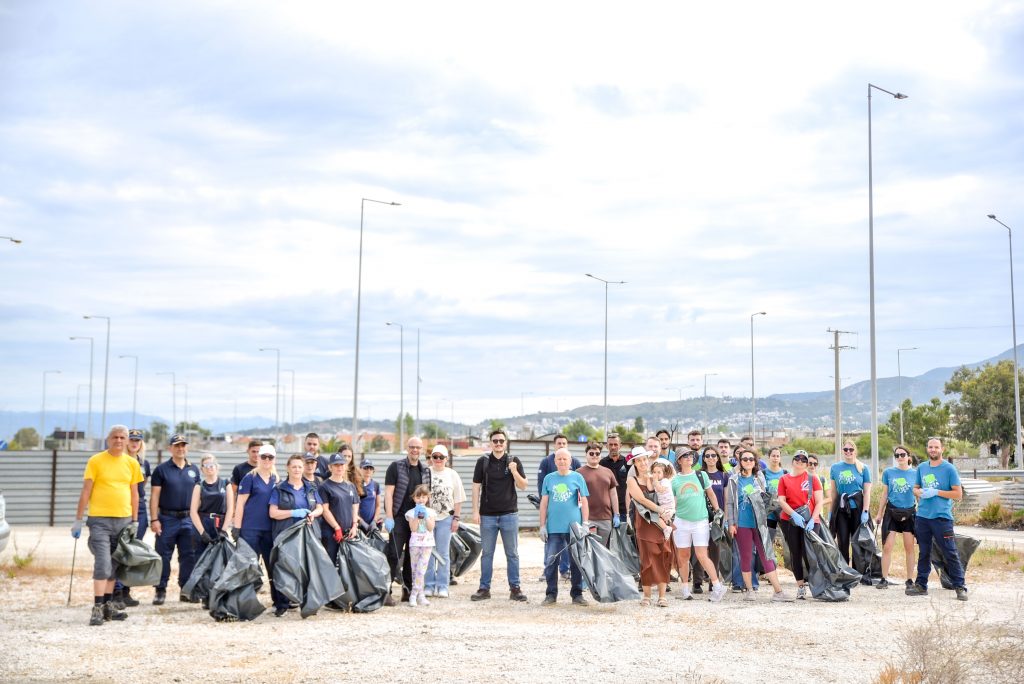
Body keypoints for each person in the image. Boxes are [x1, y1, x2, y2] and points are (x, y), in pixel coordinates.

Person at [71, 425, 143, 626]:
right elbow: (86, 491)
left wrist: (135, 521)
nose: (119, 441)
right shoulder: (96, 461)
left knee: (114, 565)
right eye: (115, 437)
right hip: (99, 521)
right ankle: (96, 607)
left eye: (122, 437)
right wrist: (78, 519)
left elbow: (134, 494)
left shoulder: (132, 463)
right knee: (102, 564)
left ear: (127, 441)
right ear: (108, 439)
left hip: (124, 520)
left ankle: (108, 605)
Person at [725, 449, 793, 602]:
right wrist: (731, 523)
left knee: (766, 555)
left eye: (751, 459)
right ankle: (749, 590)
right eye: (745, 459)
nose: (748, 461)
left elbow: (765, 498)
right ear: (740, 462)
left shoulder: (759, 478)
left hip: (759, 523)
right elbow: (729, 503)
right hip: (741, 523)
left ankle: (778, 592)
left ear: (755, 462)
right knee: (746, 557)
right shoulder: (733, 480)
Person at [471, 428, 528, 602]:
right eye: (495, 441)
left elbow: (523, 485)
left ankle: (515, 588)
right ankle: (484, 588)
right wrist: (475, 511)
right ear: (490, 443)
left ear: (505, 443)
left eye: (501, 441)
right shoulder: (483, 461)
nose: (498, 444)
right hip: (487, 515)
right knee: (487, 553)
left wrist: (514, 471)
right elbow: (475, 487)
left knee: (512, 553)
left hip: (509, 514)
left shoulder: (513, 460)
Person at [906, 437, 967, 601]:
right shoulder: (922, 467)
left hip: (942, 518)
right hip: (922, 517)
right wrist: (918, 492)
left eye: (936, 447)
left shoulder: (949, 469)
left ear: (942, 449)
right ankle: (921, 585)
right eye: (930, 447)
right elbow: (915, 487)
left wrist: (937, 492)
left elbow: (958, 495)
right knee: (924, 553)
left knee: (950, 552)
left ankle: (960, 587)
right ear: (927, 449)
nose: (933, 449)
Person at [269, 454, 325, 616]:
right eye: (294, 466)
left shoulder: (311, 487)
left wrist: (313, 514)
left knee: (307, 568)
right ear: (288, 468)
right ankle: (282, 604)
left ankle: (308, 603)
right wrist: (294, 512)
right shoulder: (279, 489)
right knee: (285, 567)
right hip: (286, 534)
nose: (297, 469)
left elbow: (320, 507)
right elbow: (273, 513)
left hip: (307, 534)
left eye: (300, 466)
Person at [232, 444, 283, 615]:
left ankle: (278, 603)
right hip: (250, 529)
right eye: (264, 457)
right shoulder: (249, 478)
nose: (267, 460)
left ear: (274, 459)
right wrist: (237, 528)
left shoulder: (277, 479)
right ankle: (244, 604)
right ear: (258, 458)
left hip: (270, 530)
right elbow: (240, 504)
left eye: (270, 457)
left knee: (272, 567)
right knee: (248, 568)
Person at [150, 433, 200, 605]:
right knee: (163, 555)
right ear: (170, 448)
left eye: (183, 445)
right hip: (167, 518)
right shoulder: (161, 470)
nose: (180, 448)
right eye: (177, 445)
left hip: (188, 518)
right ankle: (160, 589)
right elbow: (154, 497)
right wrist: (154, 519)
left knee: (189, 555)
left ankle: (185, 590)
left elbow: (199, 496)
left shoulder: (194, 470)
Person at [670, 450, 727, 602]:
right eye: (685, 456)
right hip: (681, 522)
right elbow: (673, 502)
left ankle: (717, 587)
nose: (689, 458)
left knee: (702, 555)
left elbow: (711, 494)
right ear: (679, 461)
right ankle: (685, 589)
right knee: (683, 556)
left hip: (700, 521)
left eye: (690, 456)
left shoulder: (701, 475)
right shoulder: (674, 481)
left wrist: (717, 512)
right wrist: (670, 519)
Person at [625, 440, 673, 607]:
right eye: (639, 460)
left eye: (645, 459)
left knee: (663, 555)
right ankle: (646, 595)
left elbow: (667, 492)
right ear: (635, 463)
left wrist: (668, 512)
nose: (643, 462)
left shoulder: (655, 476)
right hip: (645, 522)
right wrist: (661, 511)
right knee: (647, 558)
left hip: (661, 523)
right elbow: (641, 499)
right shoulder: (632, 480)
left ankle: (662, 596)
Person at [385, 437, 433, 604]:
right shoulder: (396, 467)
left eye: (418, 447)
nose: (415, 450)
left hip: (416, 520)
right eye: (412, 447)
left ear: (421, 449)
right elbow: (389, 493)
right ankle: (386, 591)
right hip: (398, 517)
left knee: (411, 557)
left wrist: (427, 517)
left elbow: (427, 496)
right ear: (407, 448)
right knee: (393, 554)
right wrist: (389, 516)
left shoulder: (425, 471)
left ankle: (408, 590)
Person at [539, 448, 590, 606]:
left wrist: (586, 523)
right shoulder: (549, 478)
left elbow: (585, 502)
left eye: (565, 459)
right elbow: (544, 503)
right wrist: (542, 525)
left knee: (576, 562)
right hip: (554, 528)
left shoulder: (578, 477)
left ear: (570, 461)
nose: (562, 461)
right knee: (551, 562)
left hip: (574, 528)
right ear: (555, 461)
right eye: (559, 459)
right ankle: (551, 594)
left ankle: (577, 594)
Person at [111, 428, 150, 609]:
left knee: (133, 552)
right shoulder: (121, 461)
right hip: (124, 506)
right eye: (132, 440)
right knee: (120, 550)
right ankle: (115, 592)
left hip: (140, 507)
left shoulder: (144, 463)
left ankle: (126, 590)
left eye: (138, 440)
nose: (134, 443)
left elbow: (142, 488)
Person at [777, 450, 823, 600]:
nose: (800, 461)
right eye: (797, 458)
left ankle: (817, 586)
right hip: (790, 520)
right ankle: (801, 587)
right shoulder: (784, 479)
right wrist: (793, 514)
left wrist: (813, 519)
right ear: (792, 461)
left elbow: (819, 501)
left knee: (810, 554)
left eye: (804, 460)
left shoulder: (812, 479)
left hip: (810, 521)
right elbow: (781, 500)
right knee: (795, 553)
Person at [536, 434, 579, 581]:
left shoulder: (575, 462)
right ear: (554, 445)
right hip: (552, 509)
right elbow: (541, 485)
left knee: (568, 545)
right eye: (559, 443)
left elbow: (581, 492)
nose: (561, 445)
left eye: (564, 443)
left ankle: (565, 570)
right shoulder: (546, 462)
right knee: (551, 543)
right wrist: (544, 508)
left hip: (571, 514)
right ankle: (547, 570)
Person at [425, 444, 465, 598]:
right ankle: (428, 585)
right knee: (428, 551)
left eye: (441, 457)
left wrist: (456, 518)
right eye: (435, 456)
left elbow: (458, 498)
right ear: (431, 458)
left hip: (446, 518)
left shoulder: (452, 474)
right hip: (428, 518)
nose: (438, 459)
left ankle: (442, 586)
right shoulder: (426, 472)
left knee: (442, 552)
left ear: (446, 459)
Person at [876, 445, 917, 590]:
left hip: (909, 512)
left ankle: (910, 580)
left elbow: (919, 495)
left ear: (908, 457)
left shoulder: (915, 474)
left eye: (902, 454)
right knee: (887, 546)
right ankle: (884, 578)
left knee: (909, 547)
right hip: (892, 512)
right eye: (897, 455)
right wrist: (879, 513)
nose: (900, 457)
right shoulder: (888, 472)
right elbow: (885, 494)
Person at [829, 440, 872, 565]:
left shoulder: (863, 468)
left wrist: (865, 511)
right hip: (841, 509)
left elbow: (867, 492)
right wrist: (831, 512)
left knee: (857, 541)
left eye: (851, 449)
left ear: (855, 451)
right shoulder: (835, 468)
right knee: (842, 541)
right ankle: (844, 571)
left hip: (858, 508)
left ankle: (857, 571)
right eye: (845, 449)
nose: (848, 452)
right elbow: (833, 492)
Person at [318, 452, 360, 564]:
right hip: (331, 532)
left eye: (342, 464)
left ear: (345, 466)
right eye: (336, 465)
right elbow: (325, 510)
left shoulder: (350, 485)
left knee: (347, 565)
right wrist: (336, 528)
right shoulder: (324, 486)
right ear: (330, 467)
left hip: (348, 532)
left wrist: (354, 525)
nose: (339, 467)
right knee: (330, 564)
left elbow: (355, 505)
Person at [575, 441, 619, 546]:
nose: (594, 456)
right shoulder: (578, 473)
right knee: (590, 549)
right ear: (586, 455)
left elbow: (613, 494)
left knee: (603, 550)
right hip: (588, 519)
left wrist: (616, 514)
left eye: (597, 453)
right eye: (591, 453)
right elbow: (576, 497)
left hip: (606, 519)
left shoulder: (608, 472)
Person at [189, 454, 233, 551]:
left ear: (216, 466)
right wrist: (202, 532)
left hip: (219, 524)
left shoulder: (226, 484)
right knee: (200, 560)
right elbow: (193, 511)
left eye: (212, 464)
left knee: (220, 561)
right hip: (203, 524)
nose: (209, 467)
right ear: (202, 469)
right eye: (206, 465)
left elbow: (230, 509)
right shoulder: (199, 486)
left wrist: (224, 530)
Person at [403, 484, 437, 607]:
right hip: (415, 544)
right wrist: (417, 515)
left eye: (423, 497)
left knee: (421, 570)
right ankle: (420, 595)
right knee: (415, 570)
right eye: (418, 497)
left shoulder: (431, 512)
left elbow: (430, 527)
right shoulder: (411, 513)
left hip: (427, 544)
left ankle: (413, 594)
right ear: (414, 499)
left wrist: (425, 516)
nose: (421, 499)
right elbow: (413, 528)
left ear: (427, 498)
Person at [599, 432, 630, 523]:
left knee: (624, 537)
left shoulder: (627, 463)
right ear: (606, 446)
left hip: (624, 509)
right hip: (606, 509)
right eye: (610, 444)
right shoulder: (601, 464)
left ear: (620, 446)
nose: (613, 447)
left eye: (615, 444)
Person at [763, 447, 787, 544]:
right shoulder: (763, 473)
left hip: (783, 512)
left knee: (786, 542)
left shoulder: (785, 473)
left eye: (777, 456)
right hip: (770, 514)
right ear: (769, 457)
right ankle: (770, 559)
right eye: (773, 456)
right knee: (769, 542)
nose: (775, 458)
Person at [650, 460, 675, 540]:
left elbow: (661, 490)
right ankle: (666, 528)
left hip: (668, 505)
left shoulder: (665, 481)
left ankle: (666, 528)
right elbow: (650, 488)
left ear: (664, 474)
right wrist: (648, 479)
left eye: (659, 472)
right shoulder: (656, 482)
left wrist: (655, 481)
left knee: (656, 517)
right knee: (655, 517)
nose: (656, 474)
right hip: (662, 505)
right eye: (654, 472)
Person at [358, 458, 382, 530]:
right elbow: (353, 507)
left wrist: (374, 521)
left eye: (370, 468)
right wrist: (361, 522)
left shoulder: (376, 485)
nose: (368, 470)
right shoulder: (356, 485)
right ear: (360, 469)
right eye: (365, 468)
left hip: (372, 523)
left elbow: (378, 506)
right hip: (359, 523)